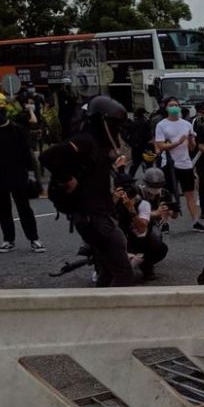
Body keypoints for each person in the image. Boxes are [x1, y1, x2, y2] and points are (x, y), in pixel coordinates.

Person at [39, 96, 133, 287]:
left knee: (107, 272)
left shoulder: (98, 145)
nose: (116, 129)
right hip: (93, 216)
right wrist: (67, 178)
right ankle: (113, 314)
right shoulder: (85, 141)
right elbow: (49, 156)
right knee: (123, 273)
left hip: (96, 215)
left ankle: (101, 311)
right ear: (101, 121)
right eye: (114, 123)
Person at [0, 94, 45, 254]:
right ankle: (8, 240)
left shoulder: (18, 130)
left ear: (4, 109)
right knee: (3, 210)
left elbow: (29, 156)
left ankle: (34, 239)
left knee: (24, 208)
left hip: (18, 175)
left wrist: (35, 178)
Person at [155, 101, 204, 232]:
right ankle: (164, 222)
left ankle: (196, 221)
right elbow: (160, 146)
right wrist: (177, 143)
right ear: (166, 108)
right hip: (169, 164)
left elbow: (192, 146)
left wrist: (189, 140)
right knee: (167, 194)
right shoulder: (161, 125)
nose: (174, 107)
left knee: (190, 193)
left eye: (176, 105)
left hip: (185, 163)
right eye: (171, 105)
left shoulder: (187, 124)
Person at [113, 170, 170, 281]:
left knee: (158, 244)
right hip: (116, 239)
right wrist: (114, 202)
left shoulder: (142, 203)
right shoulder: (109, 201)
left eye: (129, 188)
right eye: (122, 189)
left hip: (137, 237)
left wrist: (131, 209)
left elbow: (142, 227)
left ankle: (145, 264)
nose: (126, 193)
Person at [124, 108, 153, 178]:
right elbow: (149, 136)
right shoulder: (146, 122)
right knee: (149, 163)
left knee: (135, 163)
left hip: (135, 146)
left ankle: (130, 178)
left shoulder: (133, 123)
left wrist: (130, 143)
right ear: (143, 114)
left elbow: (127, 134)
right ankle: (150, 178)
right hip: (145, 146)